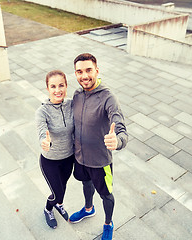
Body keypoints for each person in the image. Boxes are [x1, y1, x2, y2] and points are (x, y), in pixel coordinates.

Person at [69, 53, 128, 240]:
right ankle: (88, 209)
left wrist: (117, 141)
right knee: (85, 184)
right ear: (75, 74)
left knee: (106, 194)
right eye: (79, 71)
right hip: (80, 157)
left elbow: (120, 127)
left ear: (97, 71)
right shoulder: (77, 94)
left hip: (100, 161)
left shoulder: (108, 97)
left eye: (88, 70)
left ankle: (108, 223)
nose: (84, 76)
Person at [35, 70, 75, 229]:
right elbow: (41, 131)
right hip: (50, 161)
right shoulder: (42, 111)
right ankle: (48, 208)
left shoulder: (71, 104)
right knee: (57, 192)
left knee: (63, 187)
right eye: (53, 86)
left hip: (68, 158)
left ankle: (59, 204)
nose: (57, 90)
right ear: (47, 89)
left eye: (61, 85)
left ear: (66, 86)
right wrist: (44, 141)